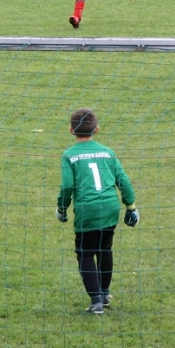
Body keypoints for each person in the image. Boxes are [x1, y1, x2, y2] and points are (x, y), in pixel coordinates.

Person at [55, 108, 138, 315]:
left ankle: (96, 301)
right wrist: (131, 207)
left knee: (85, 253)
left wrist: (62, 208)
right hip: (110, 208)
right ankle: (105, 294)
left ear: (71, 130)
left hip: (87, 211)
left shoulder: (69, 155)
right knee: (104, 249)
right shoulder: (108, 152)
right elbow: (123, 180)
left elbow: (67, 186)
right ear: (97, 129)